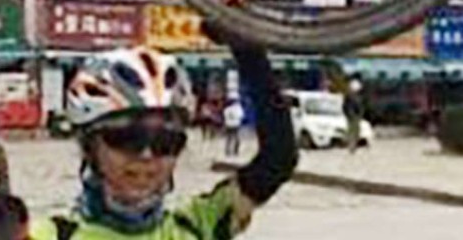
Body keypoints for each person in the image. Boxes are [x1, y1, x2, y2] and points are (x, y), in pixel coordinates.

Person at [28, 32, 298, 239]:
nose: (146, 155)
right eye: (126, 138)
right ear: (90, 148)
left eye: (165, 142)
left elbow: (279, 159)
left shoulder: (197, 226)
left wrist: (244, 42)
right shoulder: (49, 236)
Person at [343, 78, 364, 154]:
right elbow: (346, 107)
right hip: (352, 116)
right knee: (352, 132)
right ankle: (351, 147)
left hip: (356, 116)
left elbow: (360, 106)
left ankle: (353, 147)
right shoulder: (349, 97)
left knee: (356, 132)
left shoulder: (356, 97)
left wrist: (360, 114)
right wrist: (350, 114)